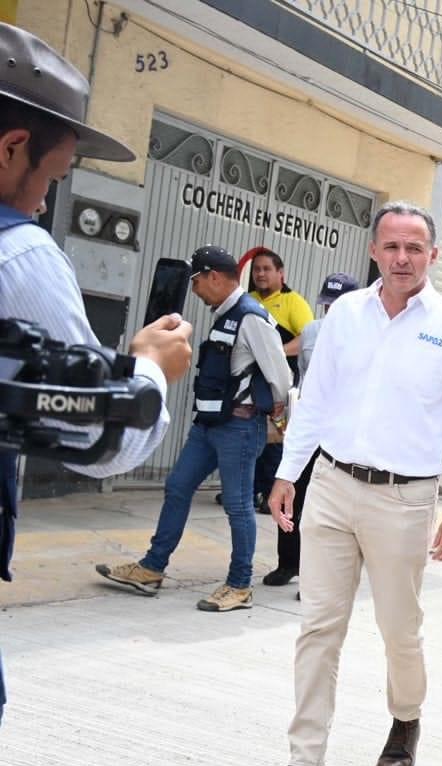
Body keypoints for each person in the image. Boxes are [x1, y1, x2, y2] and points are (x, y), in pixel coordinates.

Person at [238, 202, 442, 766]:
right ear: (374, 252)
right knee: (318, 625)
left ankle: (405, 720)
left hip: (404, 499)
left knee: (398, 629)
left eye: (415, 248)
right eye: (392, 247)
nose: (402, 258)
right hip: (330, 485)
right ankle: (306, 765)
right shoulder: (345, 315)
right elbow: (315, 402)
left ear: (433, 255)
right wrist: (288, 474)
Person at [0, 24, 191, 720]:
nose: (47, 201)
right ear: (11, 149)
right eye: (51, 177)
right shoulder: (22, 257)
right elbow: (100, 438)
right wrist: (149, 370)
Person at [95, 246, 290, 612]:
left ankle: (239, 584)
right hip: (209, 425)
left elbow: (280, 374)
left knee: (237, 505)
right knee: (178, 486)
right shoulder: (225, 313)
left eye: (197, 281)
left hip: (240, 427)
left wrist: (275, 409)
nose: (195, 289)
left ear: (214, 277)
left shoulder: (250, 317)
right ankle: (152, 568)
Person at [261, 271, 359, 588]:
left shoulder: (366, 335)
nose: (331, 311)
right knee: (292, 492)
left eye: (338, 304)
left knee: (329, 509)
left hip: (342, 433)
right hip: (308, 426)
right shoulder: (312, 331)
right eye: (327, 304)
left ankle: (317, 580)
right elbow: (301, 378)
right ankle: (288, 563)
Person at [247, 249, 315, 510]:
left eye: (266, 269)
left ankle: (269, 495)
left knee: (274, 441)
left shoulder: (293, 302)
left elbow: (306, 339)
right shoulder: (248, 300)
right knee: (249, 438)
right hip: (250, 385)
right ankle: (249, 492)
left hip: (279, 386)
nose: (261, 274)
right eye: (257, 270)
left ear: (280, 273)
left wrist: (274, 355)